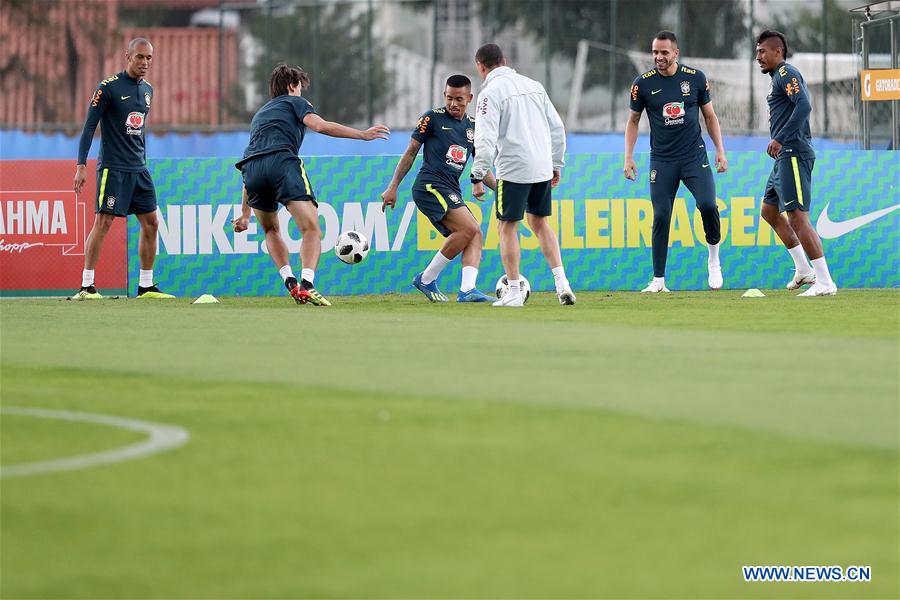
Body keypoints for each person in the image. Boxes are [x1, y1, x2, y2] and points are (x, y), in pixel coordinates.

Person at [231, 64, 389, 306]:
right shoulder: (295, 102)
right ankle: (307, 283)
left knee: (271, 230)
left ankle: (289, 280)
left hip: (251, 170)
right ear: (293, 86)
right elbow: (320, 125)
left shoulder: (260, 115)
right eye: (300, 88)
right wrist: (362, 135)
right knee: (312, 228)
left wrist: (244, 214)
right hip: (281, 163)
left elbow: (251, 158)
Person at [470, 44, 575, 308]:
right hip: (541, 166)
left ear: (480, 67)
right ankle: (562, 283)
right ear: (504, 61)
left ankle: (514, 291)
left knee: (507, 227)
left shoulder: (489, 93)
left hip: (514, 168)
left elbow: (485, 138)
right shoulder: (534, 85)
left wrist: (478, 174)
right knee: (540, 224)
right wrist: (555, 163)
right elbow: (557, 127)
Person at [624, 31, 728, 293]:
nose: (659, 57)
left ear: (675, 53)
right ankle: (658, 280)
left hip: (694, 157)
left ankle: (713, 259)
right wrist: (628, 157)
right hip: (662, 160)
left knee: (707, 205)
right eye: (655, 52)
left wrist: (720, 150)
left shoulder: (695, 78)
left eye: (664, 52)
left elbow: (710, 117)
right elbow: (633, 121)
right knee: (661, 215)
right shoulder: (642, 84)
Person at [72, 37, 174, 300]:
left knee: (151, 222)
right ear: (127, 56)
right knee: (103, 222)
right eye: (140, 57)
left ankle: (146, 286)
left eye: (149, 58)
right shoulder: (108, 88)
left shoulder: (149, 91)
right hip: (113, 168)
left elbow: (136, 131)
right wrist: (81, 165)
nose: (145, 62)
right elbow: (89, 127)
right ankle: (87, 286)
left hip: (139, 169)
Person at [381, 75, 495, 303]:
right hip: (429, 186)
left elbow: (480, 165)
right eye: (449, 98)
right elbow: (411, 152)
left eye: (459, 99)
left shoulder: (474, 126)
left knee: (475, 233)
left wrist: (501, 189)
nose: (453, 104)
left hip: (451, 188)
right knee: (468, 227)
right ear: (444, 95)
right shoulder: (431, 118)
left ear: (469, 98)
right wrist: (393, 187)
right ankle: (426, 278)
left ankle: (467, 290)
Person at [755, 30, 836, 296]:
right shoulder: (776, 78)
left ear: (778, 52)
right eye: (757, 51)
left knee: (798, 217)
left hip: (793, 152)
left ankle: (825, 282)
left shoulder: (787, 73)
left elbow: (803, 105)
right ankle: (803, 269)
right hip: (783, 157)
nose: (758, 56)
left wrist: (779, 138)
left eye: (762, 51)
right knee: (769, 211)